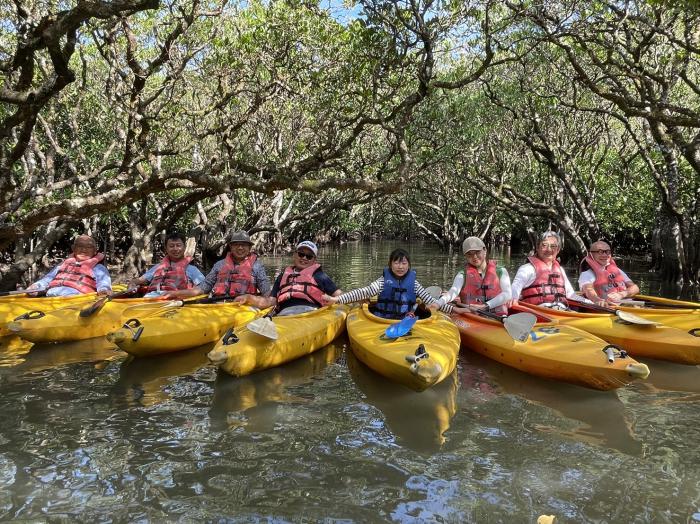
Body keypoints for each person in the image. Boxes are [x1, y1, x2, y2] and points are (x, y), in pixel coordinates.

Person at [323, 248, 451, 316]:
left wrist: (454, 310)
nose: (400, 267)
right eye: (396, 263)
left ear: (409, 266)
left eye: (404, 263)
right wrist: (336, 299)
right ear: (390, 264)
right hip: (381, 320)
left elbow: (431, 301)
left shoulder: (415, 285)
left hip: (405, 321)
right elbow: (363, 292)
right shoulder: (383, 282)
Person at [162, 230, 271, 306]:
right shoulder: (220, 265)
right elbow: (202, 289)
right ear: (231, 247)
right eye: (236, 244)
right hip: (218, 306)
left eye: (244, 245)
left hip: (244, 307)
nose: (240, 248)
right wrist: (175, 293)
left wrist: (260, 302)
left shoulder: (257, 266)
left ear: (249, 248)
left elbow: (267, 293)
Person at [239, 240, 343, 316]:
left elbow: (339, 295)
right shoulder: (283, 276)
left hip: (311, 314)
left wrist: (337, 302)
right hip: (285, 315)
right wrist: (249, 298)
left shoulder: (319, 276)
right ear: (294, 255)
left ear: (314, 260)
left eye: (309, 256)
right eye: (301, 254)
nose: (304, 258)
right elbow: (270, 302)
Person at [436, 236, 512, 316]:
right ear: (466, 257)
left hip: (498, 317)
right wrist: (437, 304)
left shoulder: (501, 271)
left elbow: (507, 294)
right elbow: (453, 292)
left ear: (484, 250)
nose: (474, 257)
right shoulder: (462, 274)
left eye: (477, 252)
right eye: (469, 254)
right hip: (471, 316)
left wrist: (485, 306)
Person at [511, 231, 587, 309]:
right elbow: (514, 291)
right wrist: (513, 301)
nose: (549, 249)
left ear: (558, 250)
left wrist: (591, 303)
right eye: (544, 245)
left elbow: (571, 295)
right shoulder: (527, 269)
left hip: (562, 311)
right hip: (537, 313)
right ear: (537, 247)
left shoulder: (560, 270)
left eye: (553, 246)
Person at [26, 235, 112, 297]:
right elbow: (47, 279)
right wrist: (36, 286)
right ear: (73, 248)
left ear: (95, 251)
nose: (84, 250)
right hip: (50, 299)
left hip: (76, 301)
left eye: (89, 247)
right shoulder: (63, 264)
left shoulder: (98, 268)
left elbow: (103, 283)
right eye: (80, 246)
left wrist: (103, 290)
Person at [127, 232, 205, 298]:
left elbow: (203, 288)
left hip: (177, 302)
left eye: (178, 245)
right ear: (166, 249)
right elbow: (137, 281)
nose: (175, 249)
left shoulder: (192, 269)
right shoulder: (158, 267)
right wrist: (132, 285)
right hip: (151, 299)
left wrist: (175, 294)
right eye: (171, 246)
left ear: (184, 247)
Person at [578, 240, 640, 306]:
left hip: (626, 304)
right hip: (606, 306)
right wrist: (597, 300)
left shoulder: (618, 271)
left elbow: (635, 288)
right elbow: (588, 290)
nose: (605, 255)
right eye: (600, 252)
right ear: (591, 254)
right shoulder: (586, 274)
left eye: (607, 252)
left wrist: (622, 294)